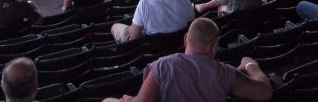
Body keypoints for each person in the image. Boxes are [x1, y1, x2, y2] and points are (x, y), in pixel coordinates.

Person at [112, 18, 272, 102]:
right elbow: (265, 92)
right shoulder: (226, 74)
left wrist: (128, 99)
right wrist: (251, 64)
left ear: (185, 40)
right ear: (215, 46)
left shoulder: (162, 66)